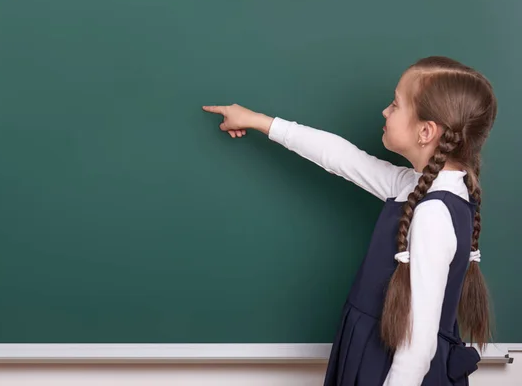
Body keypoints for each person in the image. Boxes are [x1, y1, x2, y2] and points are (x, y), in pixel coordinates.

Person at [202, 56, 497, 386]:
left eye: (395, 104)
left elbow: (418, 347)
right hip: (373, 352)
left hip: (391, 368)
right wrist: (256, 120)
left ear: (426, 131)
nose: (386, 112)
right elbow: (342, 158)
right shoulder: (419, 186)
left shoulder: (432, 212)